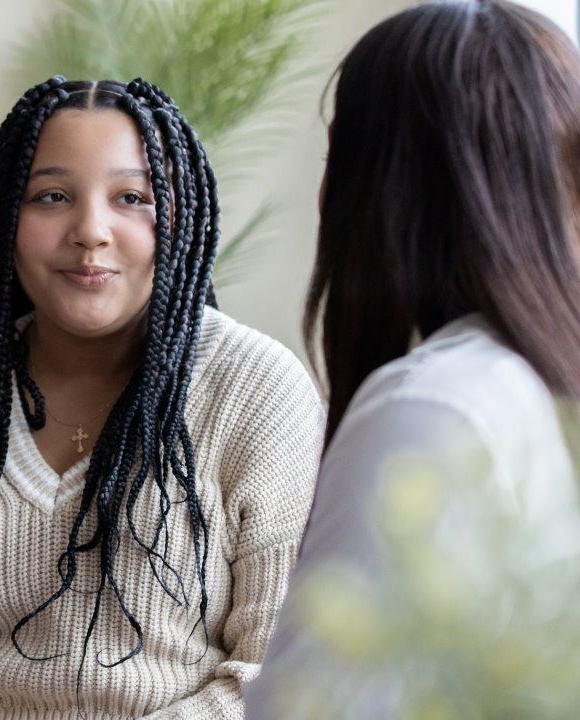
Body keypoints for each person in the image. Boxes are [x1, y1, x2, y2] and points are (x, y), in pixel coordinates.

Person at [0, 77, 324, 719]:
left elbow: (286, 673)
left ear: (181, 217)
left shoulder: (259, 392)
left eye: (132, 197)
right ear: (4, 216)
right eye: (51, 196)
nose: (90, 231)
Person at [244, 2, 580, 717]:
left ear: (377, 185)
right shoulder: (522, 384)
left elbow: (312, 708)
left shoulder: (431, 410)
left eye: (339, 152)